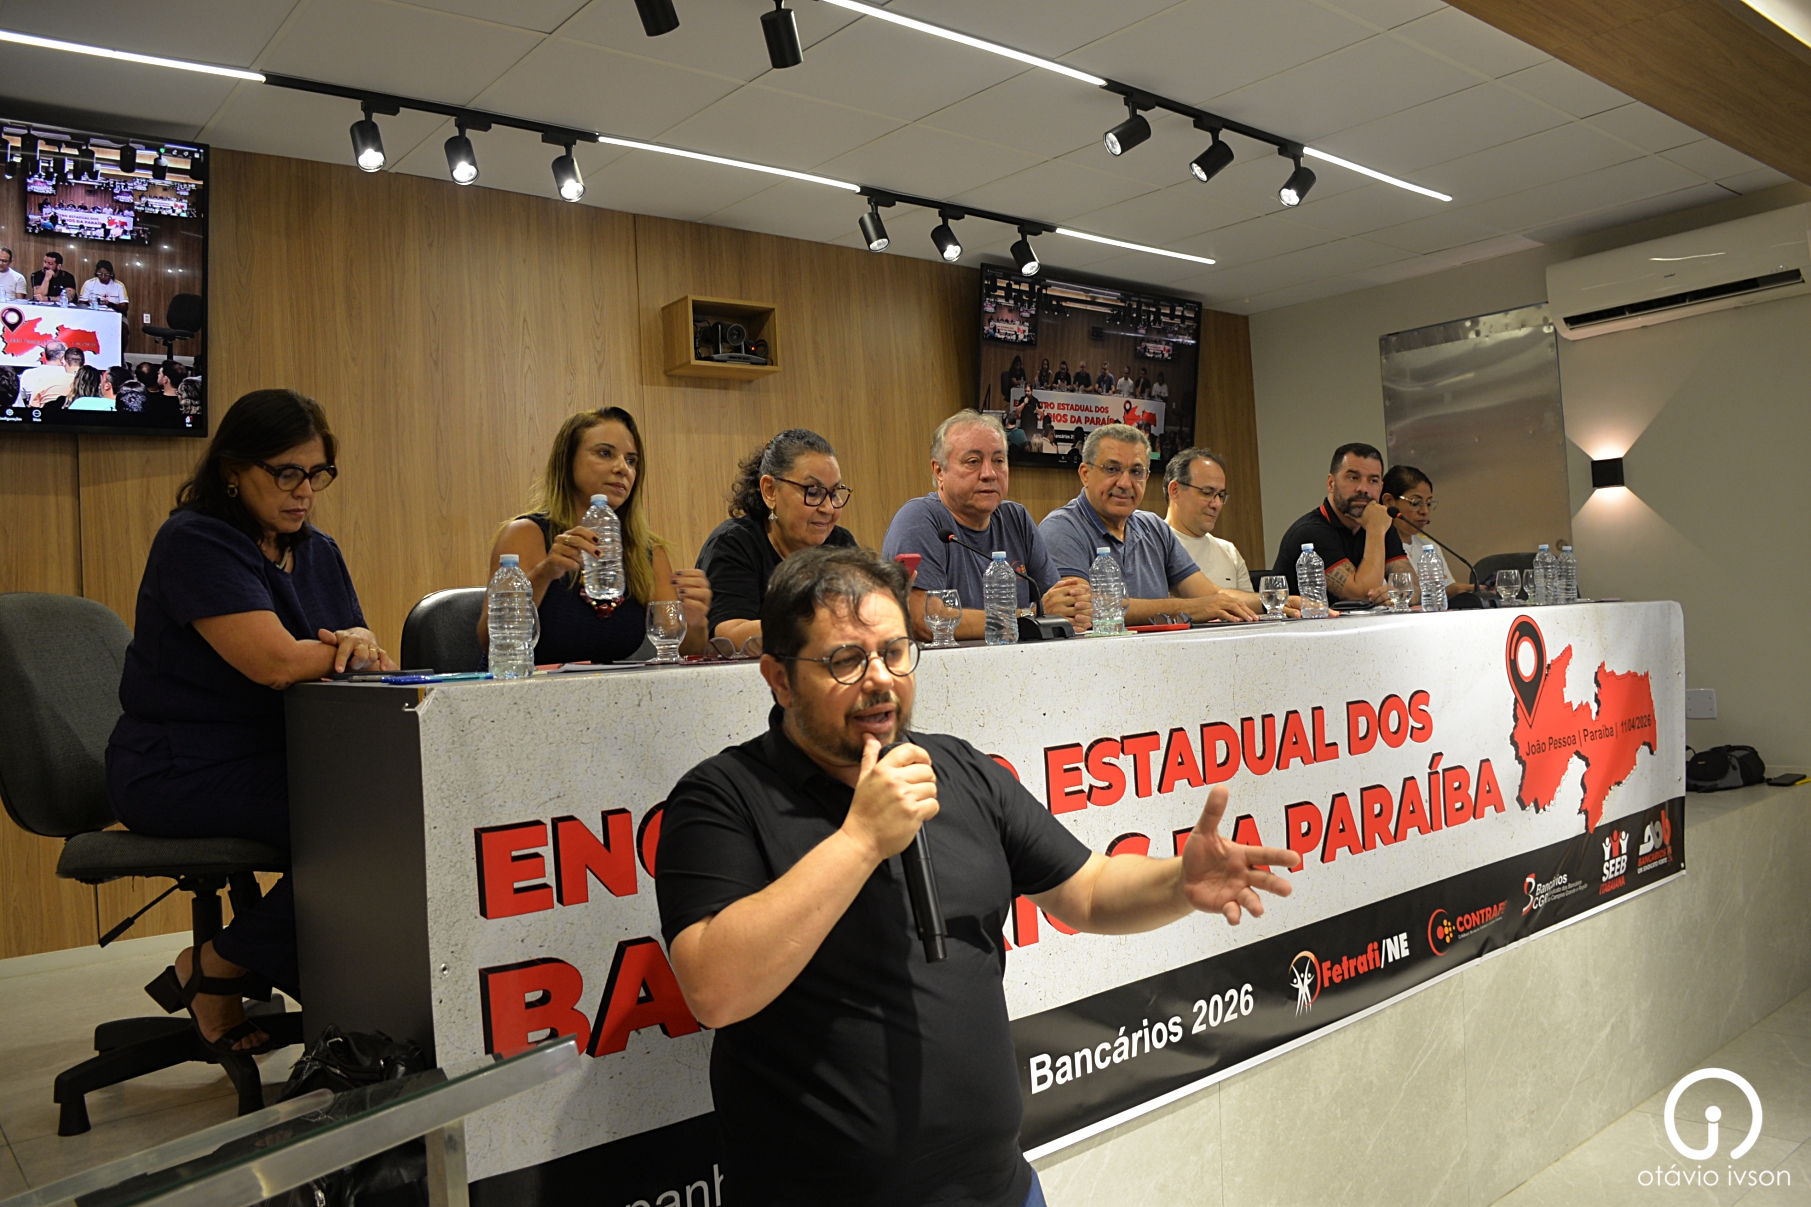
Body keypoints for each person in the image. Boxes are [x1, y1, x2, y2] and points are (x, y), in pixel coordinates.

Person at [656, 546, 1299, 1207]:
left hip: (1001, 1189)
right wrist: (860, 840)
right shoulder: (723, 797)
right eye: (846, 660)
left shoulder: (958, 768)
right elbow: (714, 990)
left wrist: (1178, 883)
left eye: (894, 652)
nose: (880, 680)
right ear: (780, 678)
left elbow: (1086, 889)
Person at [107, 389, 393, 1056]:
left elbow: (357, 666)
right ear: (233, 469)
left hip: (276, 759)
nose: (305, 492)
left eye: (317, 474)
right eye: (287, 473)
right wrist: (350, 648)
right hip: (176, 767)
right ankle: (225, 971)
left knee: (405, 810)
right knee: (369, 831)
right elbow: (276, 663)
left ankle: (231, 963)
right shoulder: (195, 540)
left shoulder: (317, 551)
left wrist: (357, 652)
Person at [481, 407, 711, 665]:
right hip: (523, 685)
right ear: (567, 461)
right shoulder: (525, 534)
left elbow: (683, 649)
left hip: (607, 688)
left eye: (631, 460)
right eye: (605, 453)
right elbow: (492, 642)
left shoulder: (646, 552)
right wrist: (546, 572)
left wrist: (694, 620)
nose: (623, 468)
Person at [882, 410, 1090, 641]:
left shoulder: (1016, 518)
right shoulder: (919, 519)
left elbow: (1058, 604)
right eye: (973, 462)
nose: (989, 474)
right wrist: (1027, 616)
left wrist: (1073, 608)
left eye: (999, 461)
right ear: (939, 471)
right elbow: (926, 621)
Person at [1040, 424, 1256, 624]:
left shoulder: (1154, 527)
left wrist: (1270, 600)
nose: (1125, 483)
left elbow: (1211, 596)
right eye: (1112, 469)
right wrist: (1188, 608)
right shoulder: (1061, 528)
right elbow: (1082, 607)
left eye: (1136, 472)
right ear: (1085, 474)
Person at [698, 428, 858, 651]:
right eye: (813, 492)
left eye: (834, 493)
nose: (828, 508)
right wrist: (818, 625)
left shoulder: (840, 544)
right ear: (770, 491)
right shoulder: (734, 543)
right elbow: (729, 636)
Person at [1270, 442, 1410, 600]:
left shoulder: (1379, 524)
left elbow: (1413, 587)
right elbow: (1361, 595)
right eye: (1353, 478)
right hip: (1304, 616)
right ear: (1331, 483)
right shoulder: (1311, 531)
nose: (1363, 488)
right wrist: (1376, 531)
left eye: (1373, 481)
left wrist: (1401, 596)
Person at [1163, 448, 1254, 593]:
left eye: (1221, 495)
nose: (1217, 504)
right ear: (1175, 491)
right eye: (1207, 493)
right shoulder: (1150, 548)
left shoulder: (1229, 552)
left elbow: (1250, 605)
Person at [1380, 464, 1467, 594]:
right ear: (1389, 501)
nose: (1425, 511)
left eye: (1429, 503)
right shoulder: (1375, 548)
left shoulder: (1429, 547)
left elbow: (1447, 589)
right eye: (1415, 503)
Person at [19, 343, 72, 409]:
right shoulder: (72, 375)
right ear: (63, 357)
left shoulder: (28, 374)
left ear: (45, 354)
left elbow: (22, 399)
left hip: (35, 413)